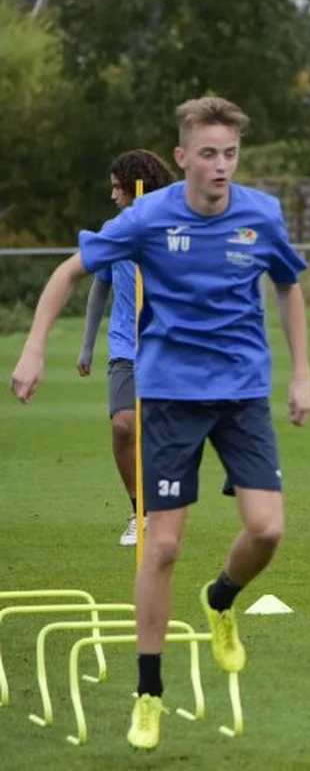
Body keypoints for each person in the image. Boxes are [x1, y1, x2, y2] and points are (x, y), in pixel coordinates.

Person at [10, 96, 310, 751]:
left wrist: (301, 372)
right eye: (208, 153)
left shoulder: (260, 214)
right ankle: (149, 693)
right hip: (171, 396)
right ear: (182, 157)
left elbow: (288, 285)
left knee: (267, 529)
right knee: (164, 545)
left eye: (230, 154)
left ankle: (221, 600)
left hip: (242, 395)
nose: (220, 166)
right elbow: (68, 271)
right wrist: (35, 348)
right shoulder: (148, 216)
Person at [77, 149, 176, 547]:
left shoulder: (174, 230)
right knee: (123, 427)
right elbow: (100, 286)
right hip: (125, 348)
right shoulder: (113, 229)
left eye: (118, 187)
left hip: (168, 346)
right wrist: (86, 346)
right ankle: (140, 512)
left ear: (139, 188)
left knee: (165, 435)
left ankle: (167, 509)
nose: (112, 194)